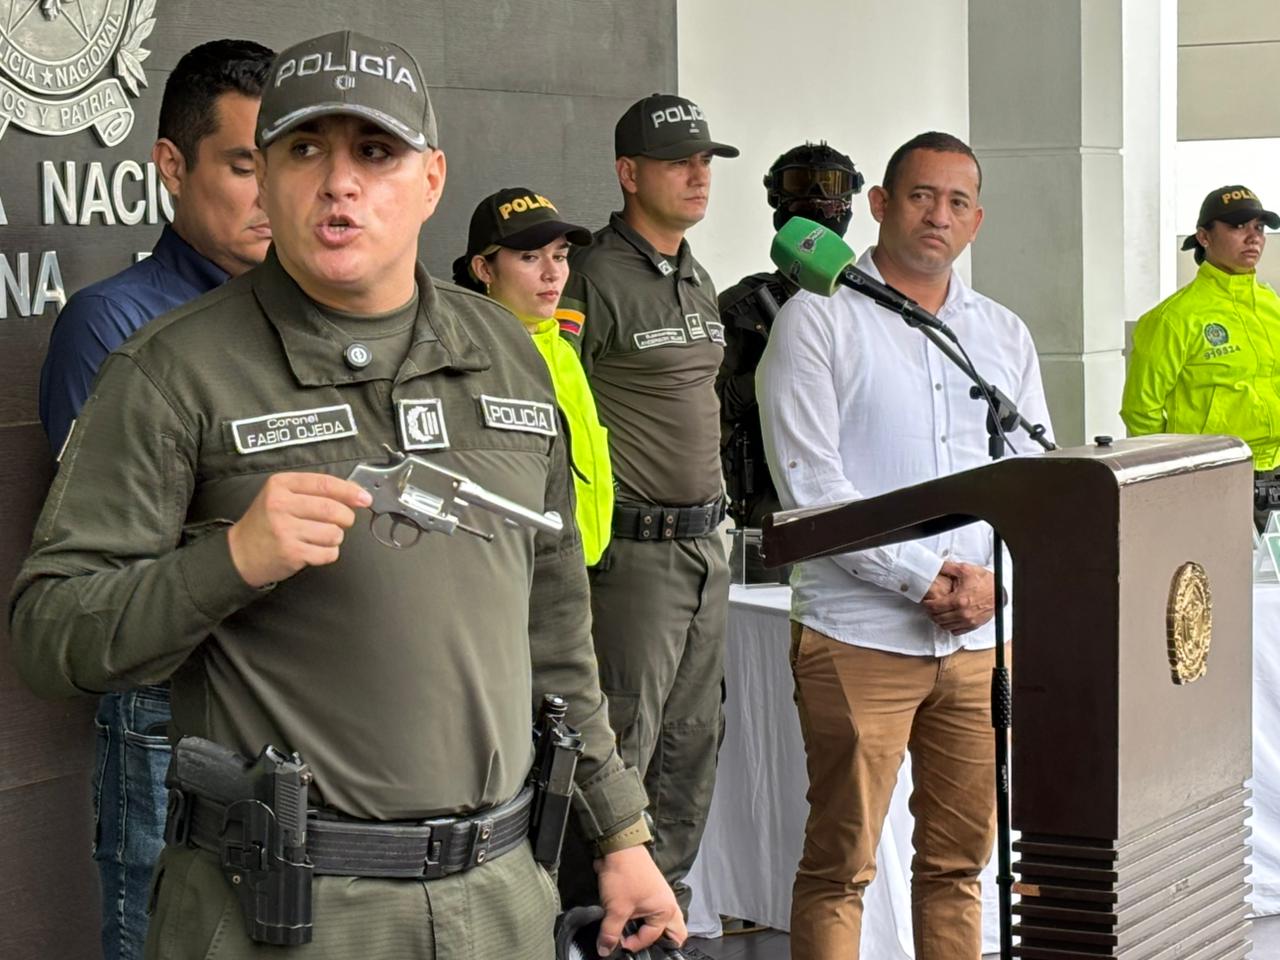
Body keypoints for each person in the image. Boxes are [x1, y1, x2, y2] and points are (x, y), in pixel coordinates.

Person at [10, 30, 682, 960]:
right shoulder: (174, 372)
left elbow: (558, 637)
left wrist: (621, 835)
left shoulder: (512, 359)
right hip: (284, 912)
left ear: (433, 179)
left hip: (498, 899)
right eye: (302, 151)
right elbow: (51, 635)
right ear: (268, 177)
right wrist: (228, 562)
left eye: (374, 152)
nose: (339, 183)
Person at [756, 131, 1054, 959]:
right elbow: (812, 487)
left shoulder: (1002, 335)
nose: (939, 215)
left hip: (980, 644)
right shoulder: (816, 322)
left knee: (960, 865)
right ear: (880, 205)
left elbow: (1035, 469)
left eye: (958, 202)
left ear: (978, 221)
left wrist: (995, 586)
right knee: (840, 867)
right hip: (860, 634)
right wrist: (924, 578)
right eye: (921, 195)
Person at [33, 38, 275, 960]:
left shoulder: (314, 321)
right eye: (243, 163)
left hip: (302, 699)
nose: (270, 192)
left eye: (288, 158)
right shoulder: (118, 324)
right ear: (172, 167)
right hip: (168, 707)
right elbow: (125, 558)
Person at [553, 93, 736, 925]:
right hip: (633, 558)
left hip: (706, 552)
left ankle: (664, 926)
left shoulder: (695, 272)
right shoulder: (590, 273)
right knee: (618, 753)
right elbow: (555, 404)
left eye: (705, 160)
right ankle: (594, 928)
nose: (698, 175)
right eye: (677, 162)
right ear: (630, 174)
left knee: (691, 751)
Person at [452, 187, 614, 565]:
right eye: (529, 257)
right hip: (509, 572)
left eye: (560, 255)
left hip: (582, 567)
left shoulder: (561, 348)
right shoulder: (465, 356)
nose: (552, 272)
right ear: (483, 269)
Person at [717, 141, 863, 530]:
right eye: (802, 185)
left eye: (830, 187)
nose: (817, 198)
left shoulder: (871, 303)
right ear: (777, 201)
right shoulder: (742, 307)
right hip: (772, 511)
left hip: (859, 503)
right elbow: (711, 408)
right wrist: (778, 363)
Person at [1121, 184, 1280, 530]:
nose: (1253, 237)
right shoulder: (1173, 318)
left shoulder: (1272, 306)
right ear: (1204, 237)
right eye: (1238, 226)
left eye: (1259, 227)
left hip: (1275, 474)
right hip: (1211, 478)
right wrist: (1170, 480)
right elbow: (1141, 412)